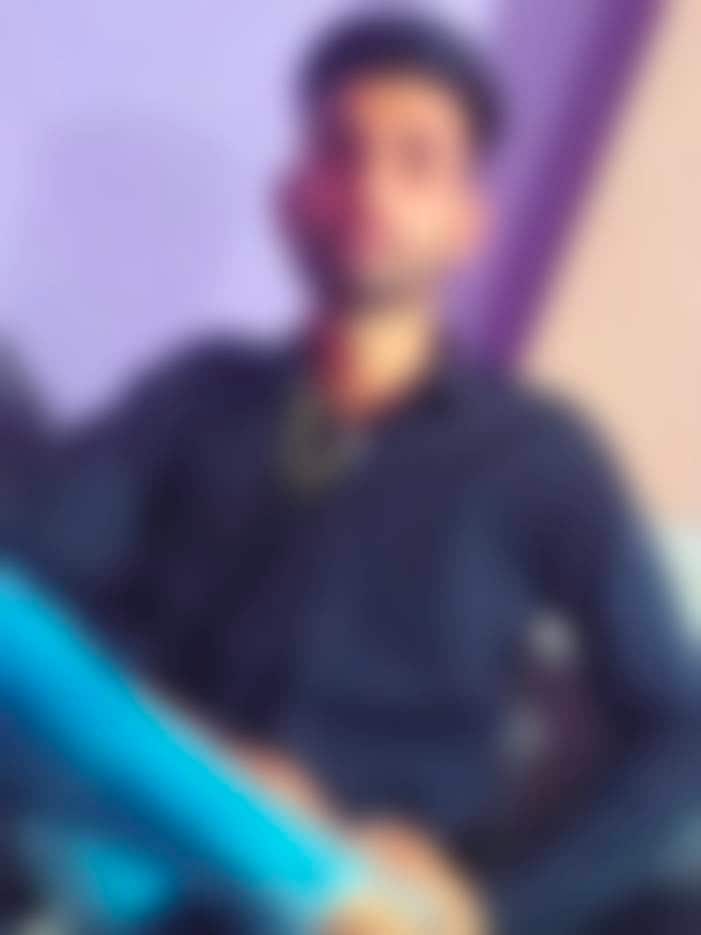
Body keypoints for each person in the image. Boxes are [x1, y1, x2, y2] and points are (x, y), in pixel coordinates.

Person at [27, 12, 701, 935]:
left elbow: (680, 726)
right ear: (293, 194)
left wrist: (498, 910)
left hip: (391, 883)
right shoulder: (197, 396)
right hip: (163, 856)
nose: (371, 187)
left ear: (468, 221)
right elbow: (40, 595)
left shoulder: (536, 454)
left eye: (416, 160)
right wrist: (195, 756)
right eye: (341, 149)